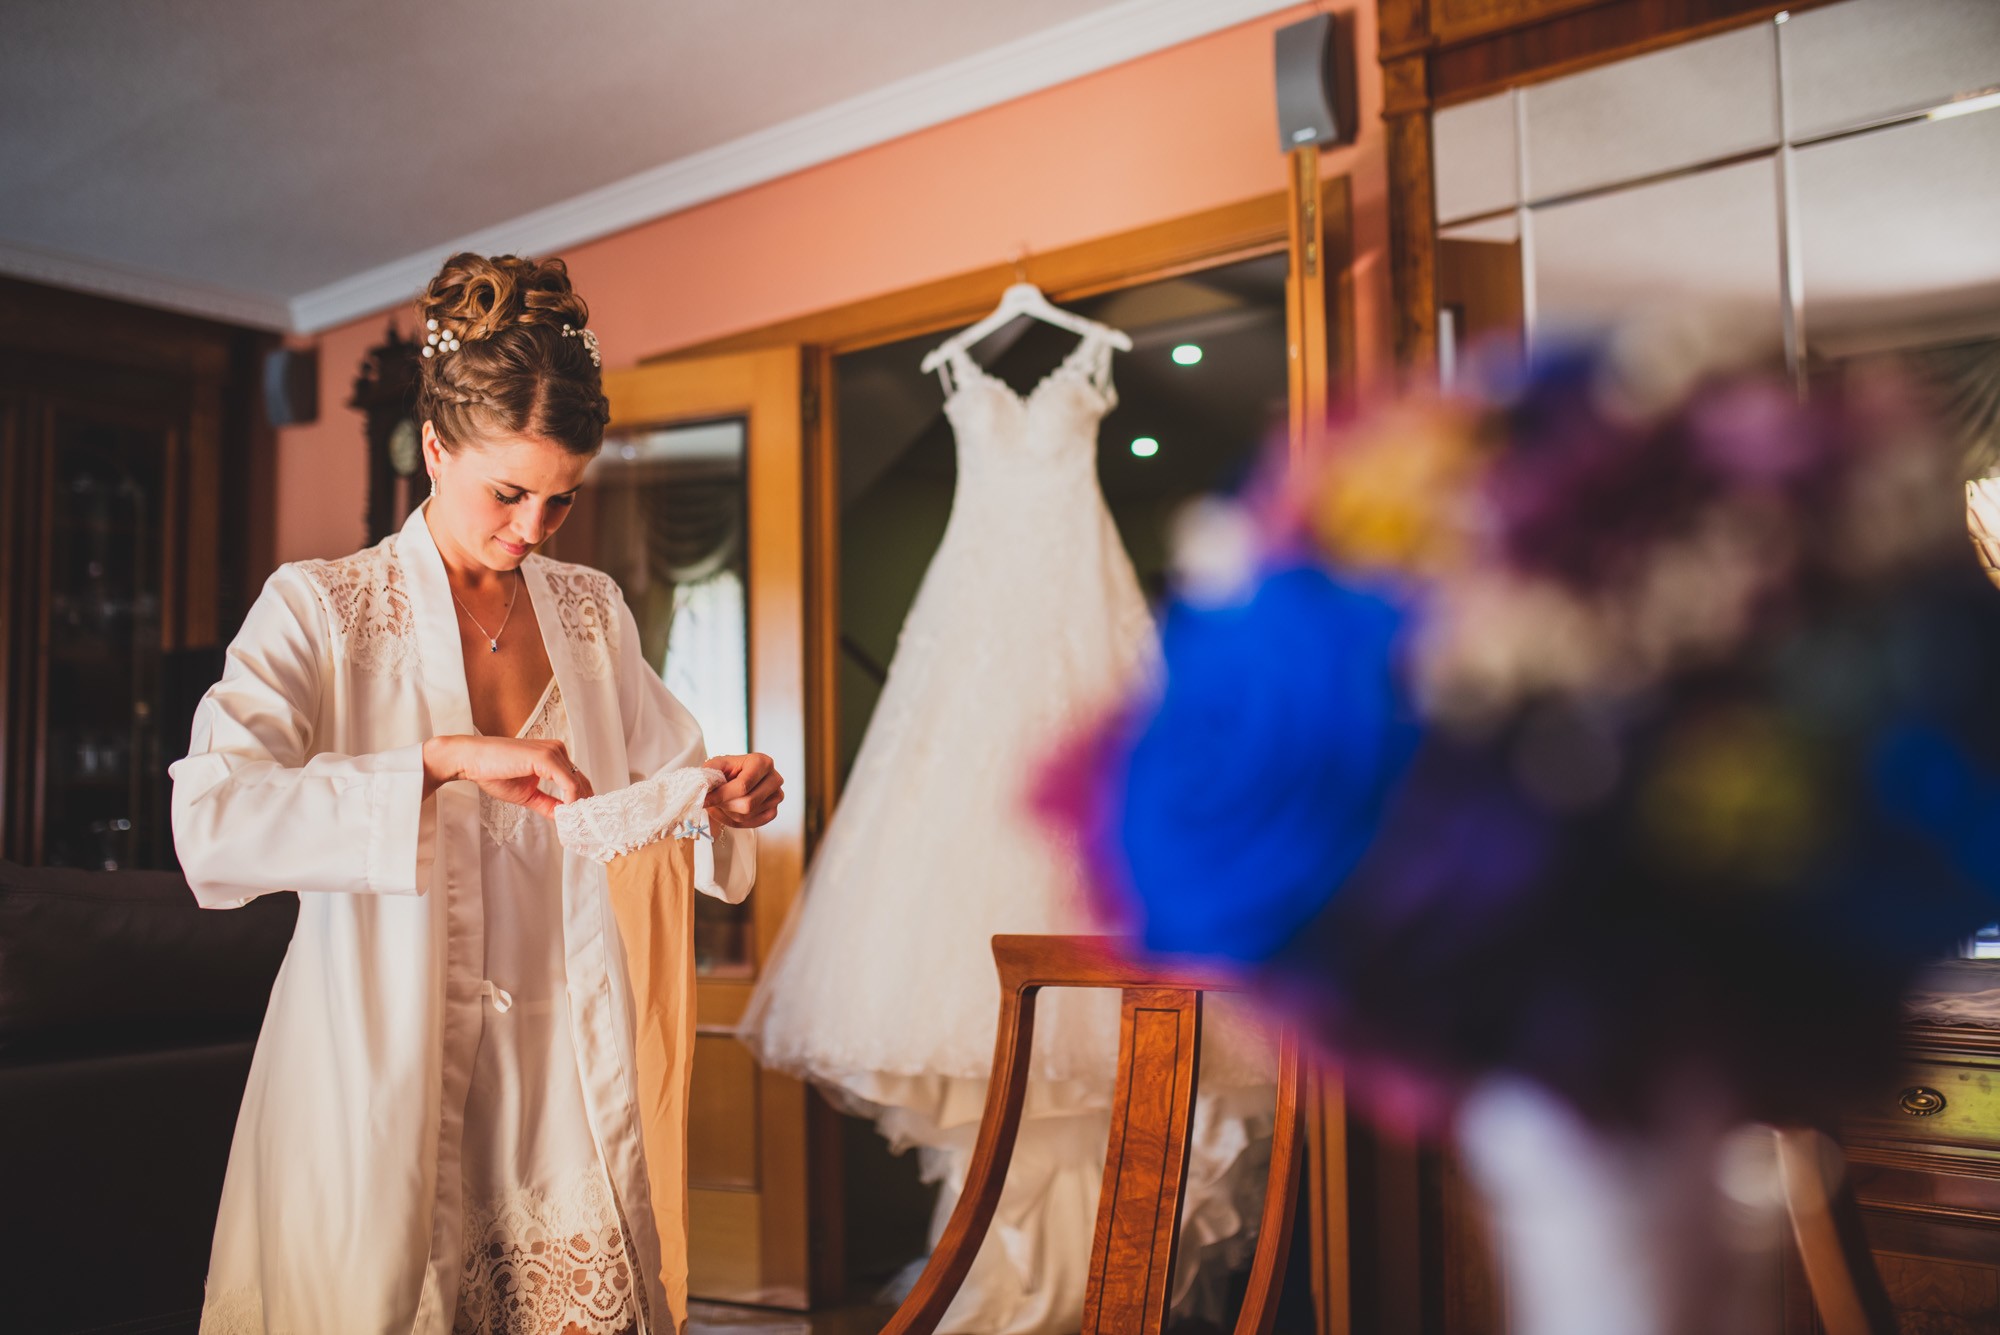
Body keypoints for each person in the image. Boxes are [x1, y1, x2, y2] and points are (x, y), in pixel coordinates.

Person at [170, 253, 782, 1335]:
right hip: (380, 1055)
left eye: (562, 498)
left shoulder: (590, 612)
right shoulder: (321, 607)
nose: (535, 528)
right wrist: (436, 762)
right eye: (509, 492)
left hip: (561, 1069)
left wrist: (717, 796)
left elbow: (656, 784)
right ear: (436, 449)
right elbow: (212, 820)